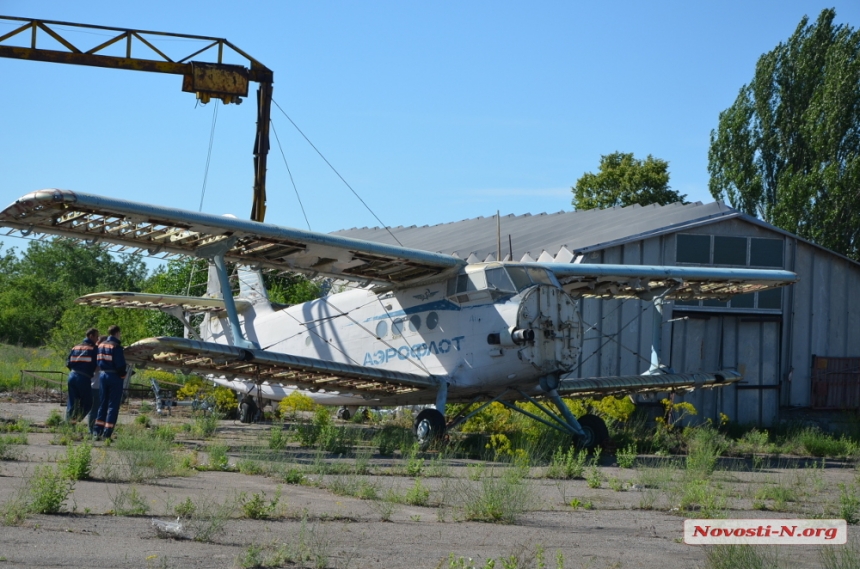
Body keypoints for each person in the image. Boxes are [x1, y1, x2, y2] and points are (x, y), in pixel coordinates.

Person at [93, 325, 127, 440]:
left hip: (103, 374)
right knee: (113, 405)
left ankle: (97, 431)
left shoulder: (101, 345)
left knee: (103, 404)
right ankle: (108, 432)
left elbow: (98, 360)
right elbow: (120, 365)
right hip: (114, 376)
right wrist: (123, 375)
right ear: (117, 333)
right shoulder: (116, 347)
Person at [65, 328, 99, 422]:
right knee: (88, 403)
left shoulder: (75, 347)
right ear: (91, 336)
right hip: (83, 377)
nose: (97, 339)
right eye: (96, 336)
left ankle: (68, 423)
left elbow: (68, 363)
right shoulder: (93, 349)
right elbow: (97, 365)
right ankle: (75, 420)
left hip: (72, 376)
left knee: (72, 402)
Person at [87, 335, 108, 436]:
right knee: (94, 409)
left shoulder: (98, 352)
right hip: (95, 385)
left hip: (100, 385)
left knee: (100, 409)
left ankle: (98, 430)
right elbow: (95, 368)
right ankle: (92, 431)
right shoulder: (97, 353)